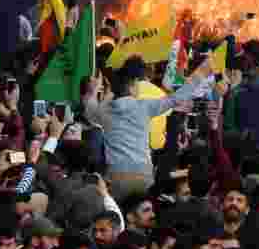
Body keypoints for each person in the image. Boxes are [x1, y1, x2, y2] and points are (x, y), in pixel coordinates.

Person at [84, 55, 215, 201]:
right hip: (144, 177)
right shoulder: (144, 106)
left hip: (116, 176)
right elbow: (176, 98)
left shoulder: (104, 111)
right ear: (133, 83)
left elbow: (89, 111)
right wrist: (201, 72)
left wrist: (93, 91)